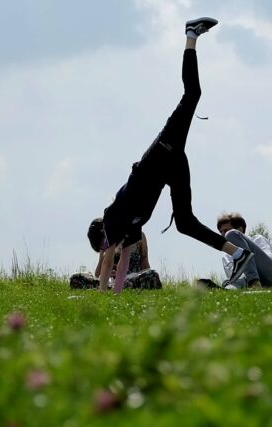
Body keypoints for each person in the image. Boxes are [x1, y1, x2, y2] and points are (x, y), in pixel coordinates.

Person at [90, 17, 255, 294]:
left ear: (104, 239)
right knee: (184, 223)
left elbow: (107, 265)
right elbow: (122, 263)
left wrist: (101, 294)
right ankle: (238, 254)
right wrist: (114, 297)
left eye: (106, 246)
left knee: (192, 94)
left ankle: (191, 34)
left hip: (160, 153)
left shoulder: (111, 222)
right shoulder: (131, 229)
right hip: (172, 164)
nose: (113, 250)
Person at [216, 212, 272, 289]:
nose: (222, 235)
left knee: (230, 234)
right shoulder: (226, 257)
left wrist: (250, 269)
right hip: (247, 282)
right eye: (221, 232)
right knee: (228, 284)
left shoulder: (257, 239)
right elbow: (235, 277)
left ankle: (254, 281)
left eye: (225, 231)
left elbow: (269, 260)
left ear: (240, 230)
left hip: (271, 275)